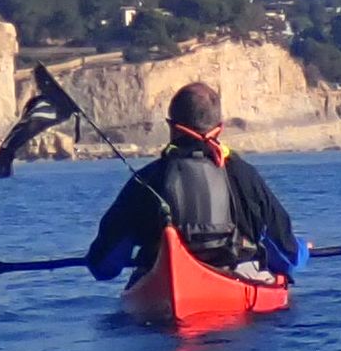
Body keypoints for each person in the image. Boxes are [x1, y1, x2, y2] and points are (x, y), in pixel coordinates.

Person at [85, 82, 305, 282]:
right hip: (234, 279)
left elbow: (103, 266)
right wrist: (303, 250)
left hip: (161, 289)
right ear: (220, 127)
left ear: (171, 126)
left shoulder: (146, 181)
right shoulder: (245, 176)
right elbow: (287, 258)